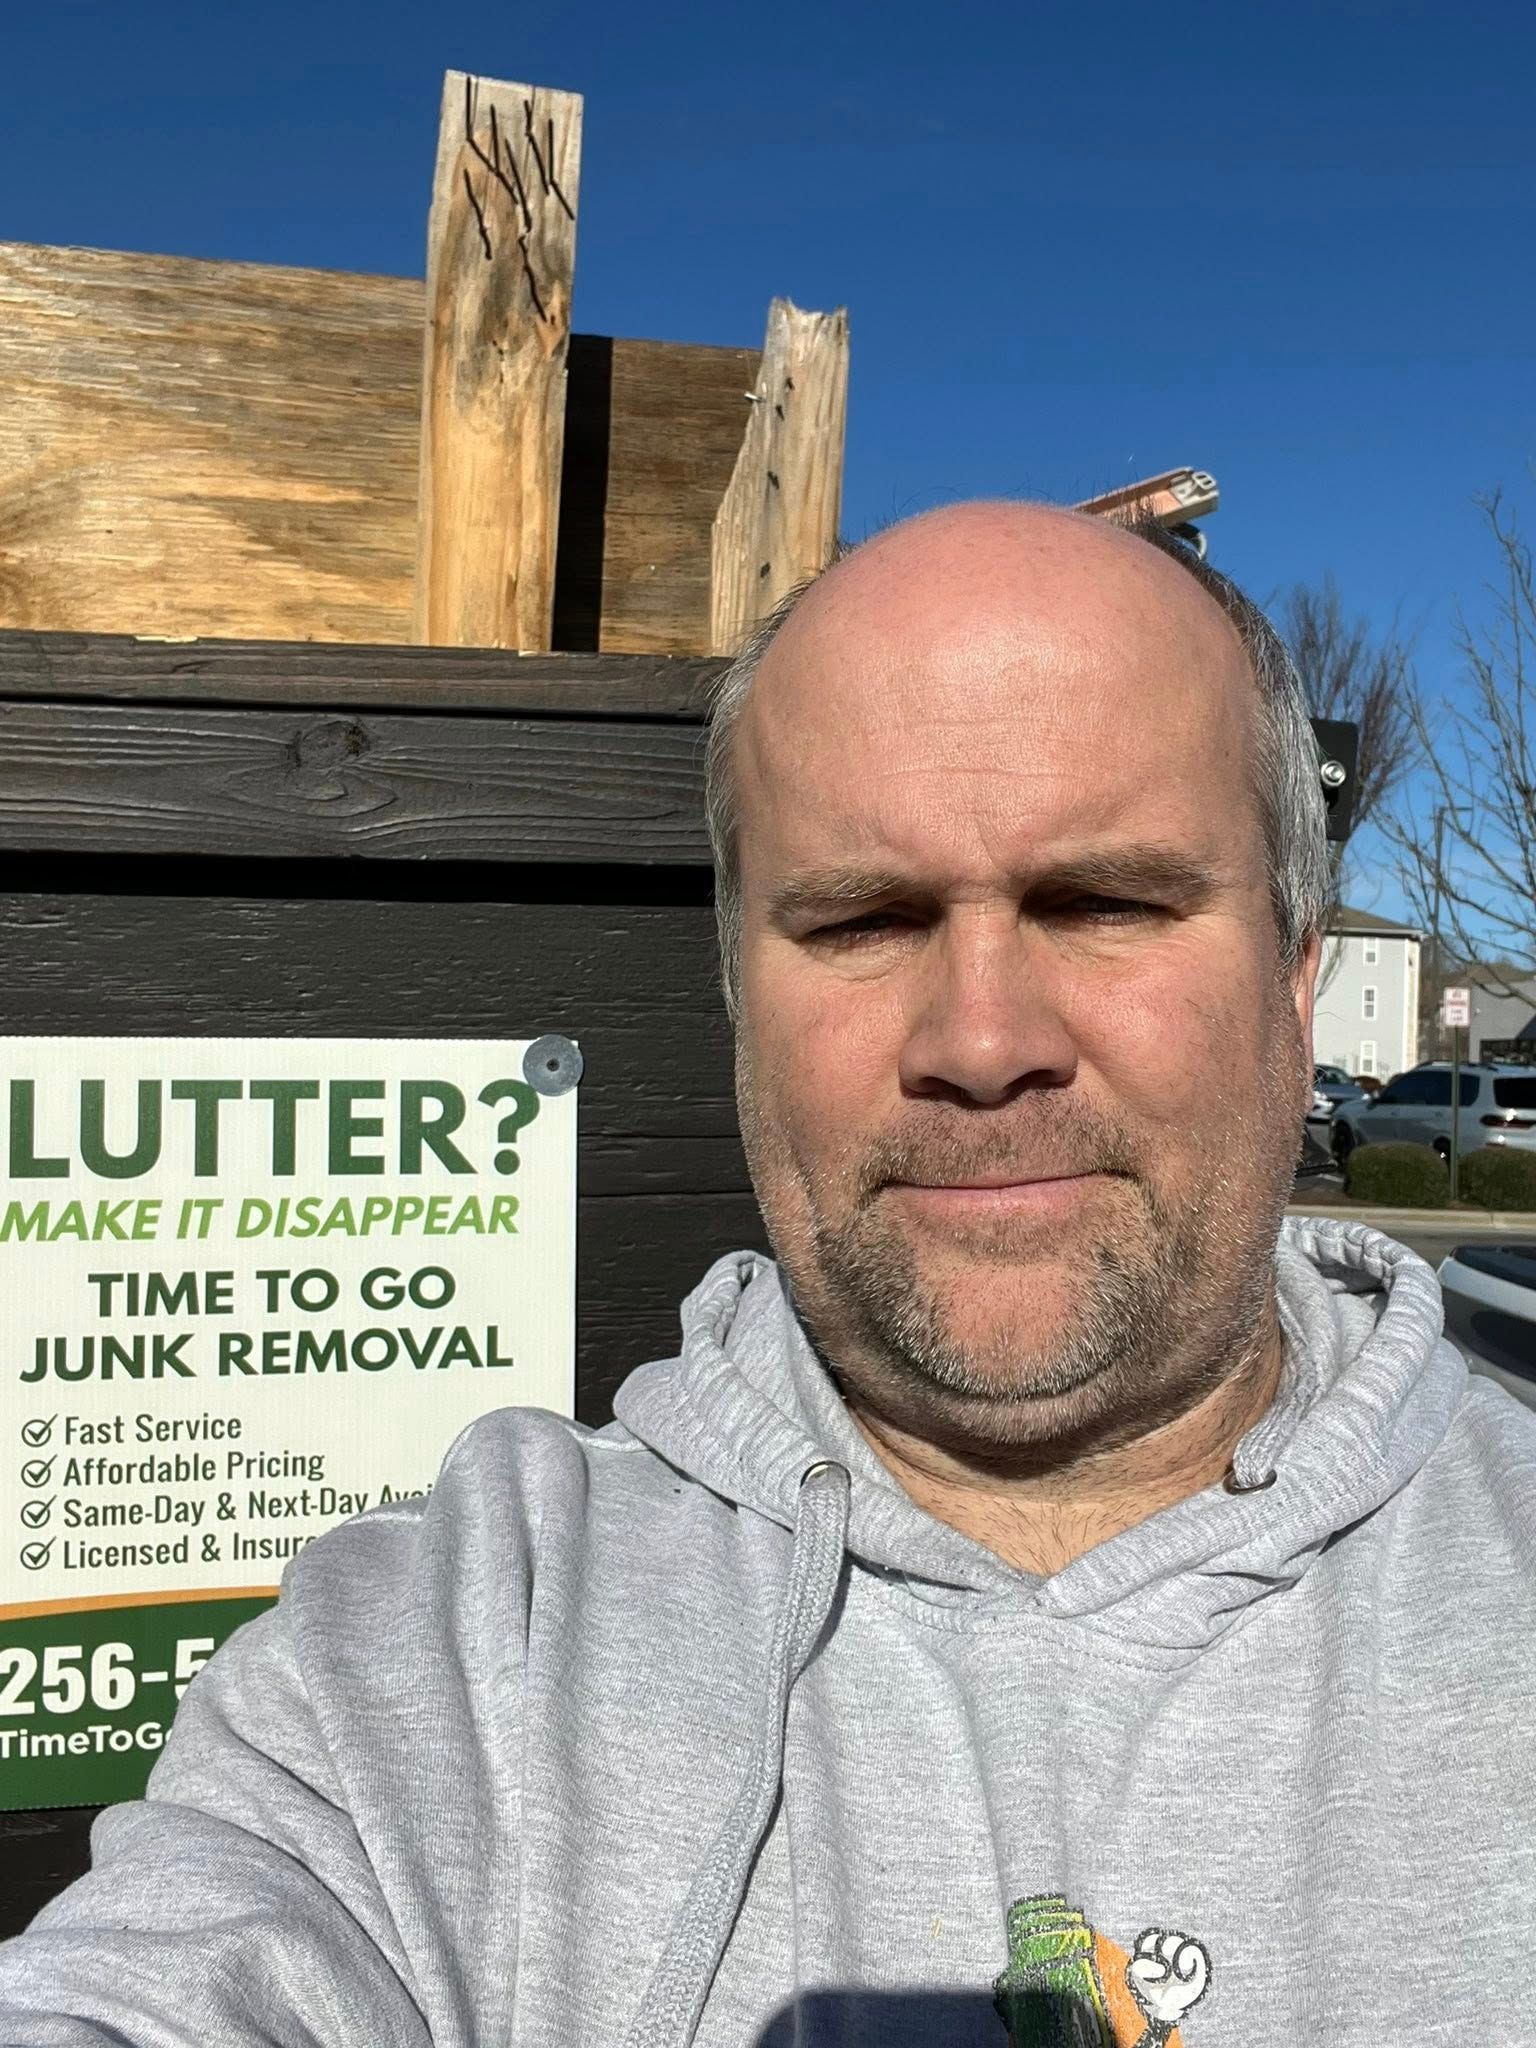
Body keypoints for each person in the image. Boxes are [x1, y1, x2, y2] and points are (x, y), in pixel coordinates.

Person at [2, 502, 1532, 2048]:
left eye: (1104, 902)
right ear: (740, 995)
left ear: (1293, 963)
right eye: (865, 919)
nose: (984, 1044)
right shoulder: (441, 1657)